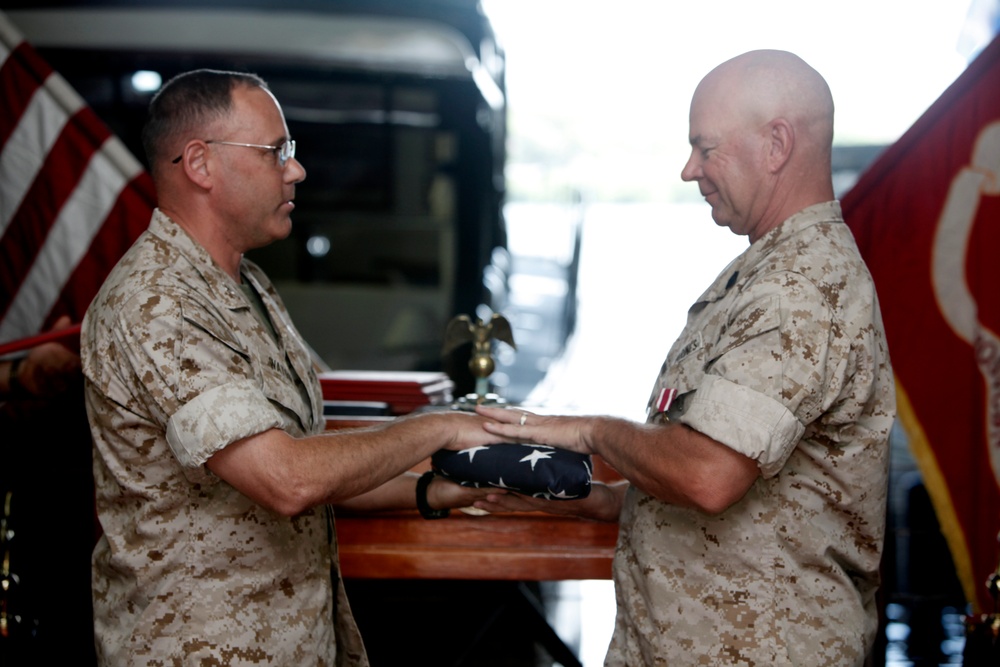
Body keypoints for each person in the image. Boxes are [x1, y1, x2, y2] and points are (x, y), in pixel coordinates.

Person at [466, 50, 896, 665]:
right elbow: (758, 507)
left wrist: (592, 432)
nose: (689, 169)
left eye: (706, 148)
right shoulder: (767, 274)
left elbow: (706, 474)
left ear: (776, 145)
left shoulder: (799, 289)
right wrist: (599, 501)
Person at [80, 69, 500, 666]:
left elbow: (313, 457)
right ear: (199, 164)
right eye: (276, 151)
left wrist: (433, 490)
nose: (296, 169)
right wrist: (441, 427)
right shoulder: (158, 304)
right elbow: (287, 479)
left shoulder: (247, 284)